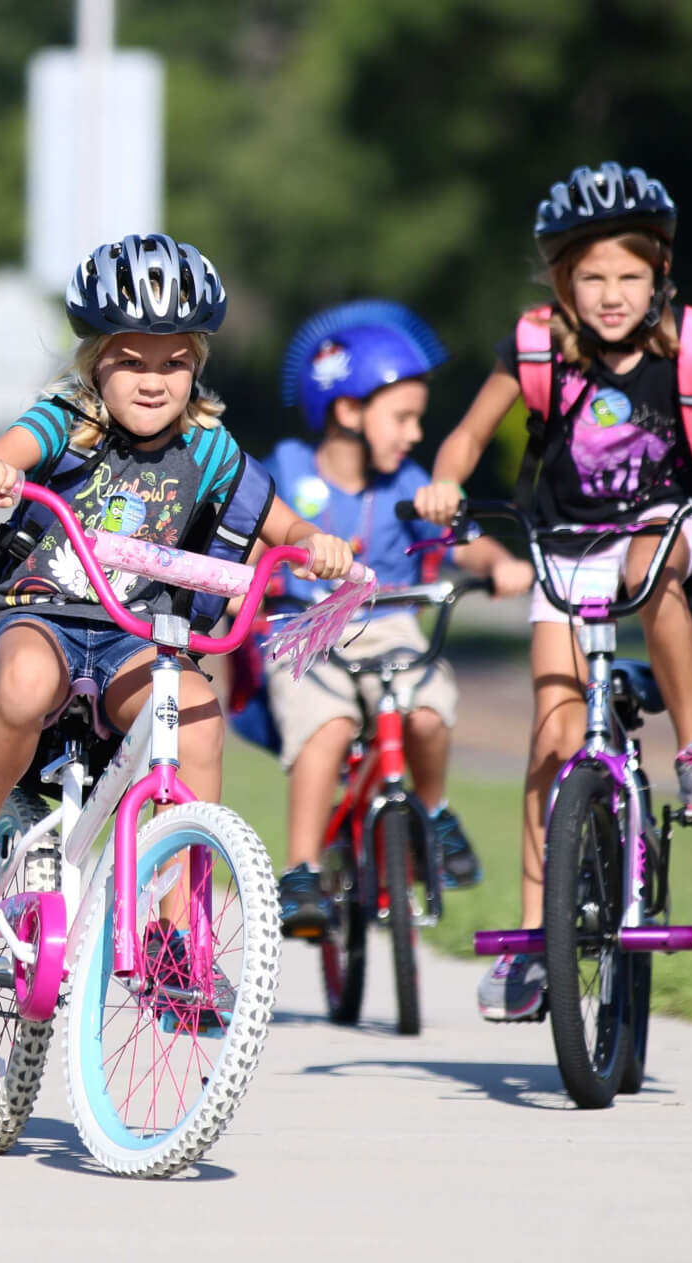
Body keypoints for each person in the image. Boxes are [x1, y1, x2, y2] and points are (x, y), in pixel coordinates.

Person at [412, 164, 692, 1021]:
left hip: (667, 523)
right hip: (563, 546)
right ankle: (532, 941)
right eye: (591, 276)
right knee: (553, 741)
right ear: (562, 281)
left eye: (630, 275)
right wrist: (444, 488)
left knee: (650, 565)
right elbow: (462, 442)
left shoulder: (690, 348)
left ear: (660, 274)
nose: (611, 293)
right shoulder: (536, 350)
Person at [0, 233, 355, 971]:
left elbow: (283, 524)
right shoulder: (63, 424)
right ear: (95, 362)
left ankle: (179, 936)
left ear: (197, 366)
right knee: (26, 684)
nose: (153, 381)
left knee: (199, 721)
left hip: (135, 636)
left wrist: (316, 543)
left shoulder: (210, 451)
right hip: (38, 612)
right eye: (131, 361)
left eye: (174, 363)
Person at [261, 305, 533, 939]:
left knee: (428, 710)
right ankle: (301, 870)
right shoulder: (289, 469)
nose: (415, 434)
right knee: (325, 728)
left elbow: (458, 541)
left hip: (392, 623)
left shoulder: (407, 480)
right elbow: (249, 532)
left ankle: (433, 814)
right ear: (348, 410)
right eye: (402, 417)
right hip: (305, 628)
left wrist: (500, 563)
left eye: (418, 419)